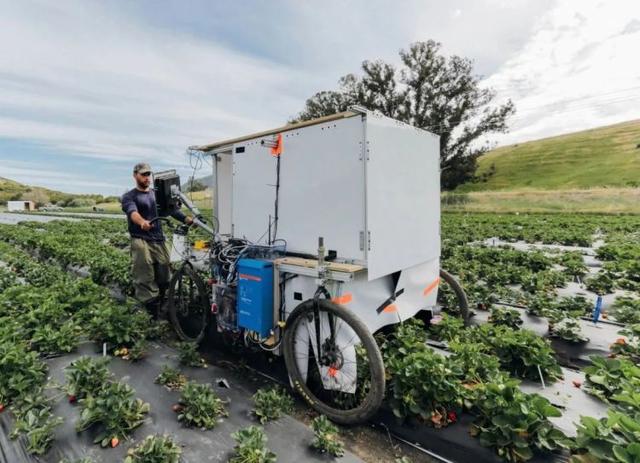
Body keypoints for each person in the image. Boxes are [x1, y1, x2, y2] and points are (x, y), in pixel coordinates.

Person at [121, 162, 193, 318]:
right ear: (135, 175)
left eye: (148, 174)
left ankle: (163, 300)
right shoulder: (129, 196)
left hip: (158, 237)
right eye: (143, 175)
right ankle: (149, 308)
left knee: (165, 266)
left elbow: (172, 210)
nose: (147, 178)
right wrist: (142, 222)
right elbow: (132, 212)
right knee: (144, 268)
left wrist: (187, 219)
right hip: (141, 237)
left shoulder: (156, 194)